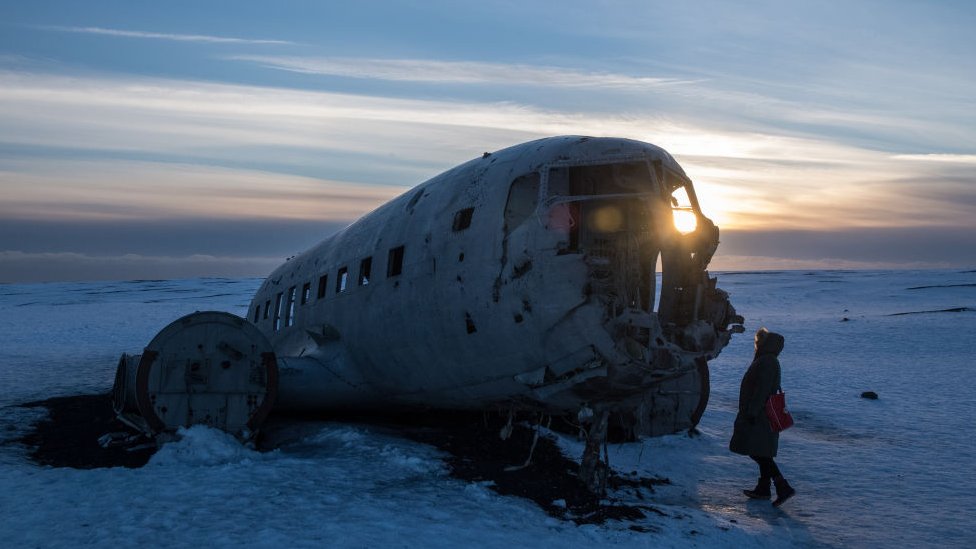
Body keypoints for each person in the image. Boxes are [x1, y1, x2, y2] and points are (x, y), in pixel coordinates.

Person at [729, 327, 796, 507]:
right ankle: (764, 488)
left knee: (758, 452)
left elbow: (762, 390)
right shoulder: (768, 360)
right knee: (761, 451)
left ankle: (782, 486)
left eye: (758, 342)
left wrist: (752, 411)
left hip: (759, 415)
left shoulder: (767, 361)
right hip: (761, 414)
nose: (756, 345)